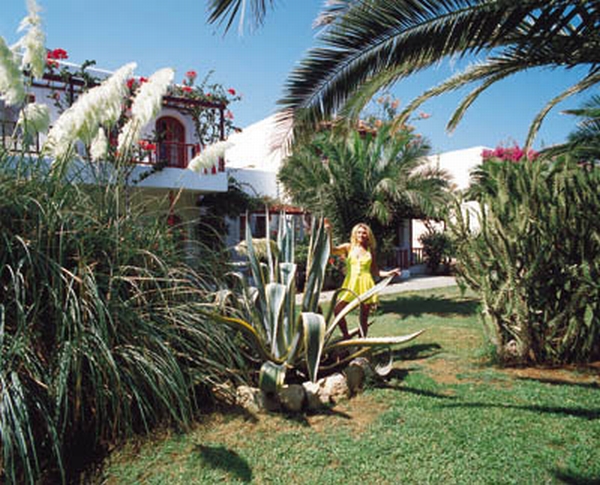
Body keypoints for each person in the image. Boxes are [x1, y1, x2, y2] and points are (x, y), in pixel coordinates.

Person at [325, 221, 401, 339]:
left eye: (364, 233)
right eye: (359, 232)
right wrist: (329, 232)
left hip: (366, 285)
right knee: (337, 310)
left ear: (368, 235)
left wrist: (389, 273)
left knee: (363, 318)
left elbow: (375, 271)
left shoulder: (370, 250)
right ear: (355, 234)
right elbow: (332, 250)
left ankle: (361, 343)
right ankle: (346, 336)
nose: (361, 235)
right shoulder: (348, 247)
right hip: (350, 284)